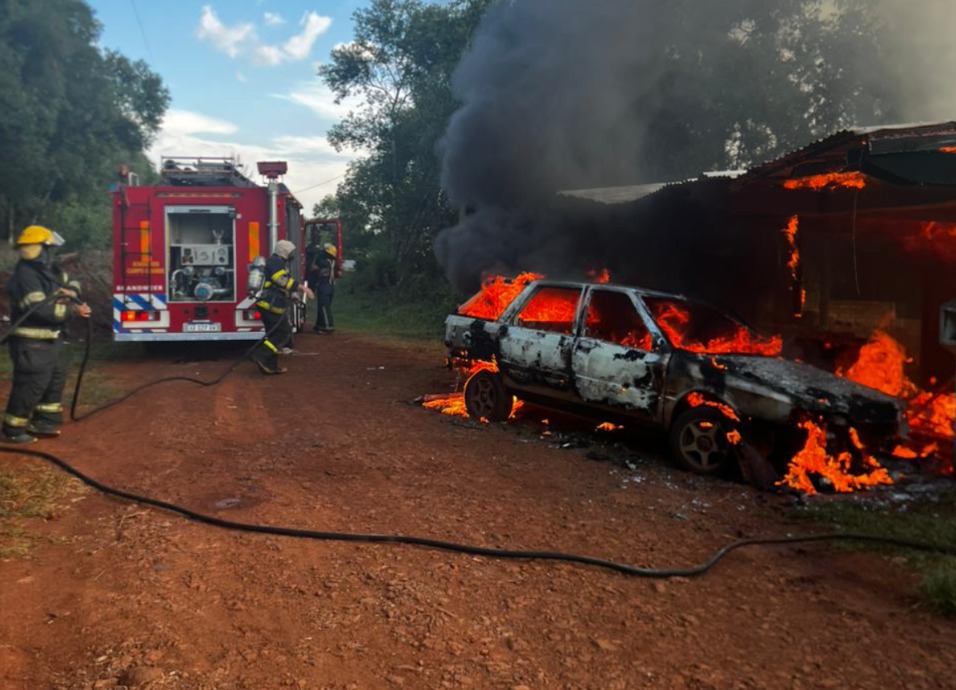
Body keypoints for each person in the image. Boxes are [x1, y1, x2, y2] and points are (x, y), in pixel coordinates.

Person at [2, 225, 92, 444]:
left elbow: (72, 280)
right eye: (49, 249)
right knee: (31, 384)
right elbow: (41, 311)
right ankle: (12, 430)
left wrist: (72, 292)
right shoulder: (26, 276)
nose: (53, 253)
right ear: (40, 249)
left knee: (54, 379)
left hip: (51, 340)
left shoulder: (47, 270)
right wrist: (74, 310)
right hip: (32, 342)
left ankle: (45, 421)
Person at [253, 240, 312, 374]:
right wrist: (302, 287)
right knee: (283, 333)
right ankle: (262, 355)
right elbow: (280, 280)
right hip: (270, 306)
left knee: (274, 335)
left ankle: (271, 365)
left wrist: (295, 297)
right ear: (284, 251)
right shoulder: (275, 262)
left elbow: (283, 285)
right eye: (290, 251)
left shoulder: (278, 263)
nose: (292, 254)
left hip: (270, 305)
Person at [311, 243, 337, 334]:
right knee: (322, 306)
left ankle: (327, 326)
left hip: (324, 285)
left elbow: (313, 267)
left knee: (324, 306)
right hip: (330, 286)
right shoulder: (333, 261)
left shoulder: (324, 261)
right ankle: (320, 325)